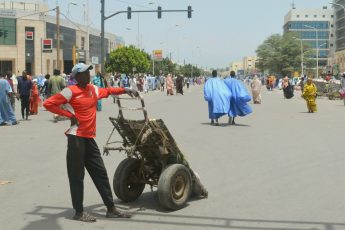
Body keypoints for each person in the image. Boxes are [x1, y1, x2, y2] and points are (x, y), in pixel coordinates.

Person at [43, 63, 139, 222]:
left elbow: (108, 91)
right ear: (76, 76)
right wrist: (67, 114)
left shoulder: (92, 89)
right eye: (84, 73)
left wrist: (126, 90)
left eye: (89, 72)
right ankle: (79, 212)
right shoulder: (70, 91)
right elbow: (48, 103)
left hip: (89, 138)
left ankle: (111, 208)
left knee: (100, 173)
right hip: (76, 139)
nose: (88, 75)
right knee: (77, 176)